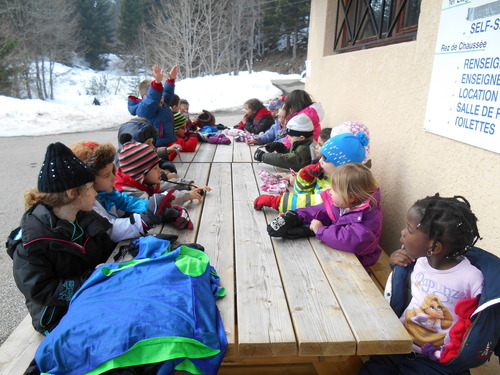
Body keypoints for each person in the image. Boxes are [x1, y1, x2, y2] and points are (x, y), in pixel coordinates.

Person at [359, 194, 500, 375]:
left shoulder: (470, 277)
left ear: (434, 247)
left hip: (439, 362)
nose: (403, 232)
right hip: (399, 348)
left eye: (409, 230)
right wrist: (396, 261)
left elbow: (481, 317)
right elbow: (405, 288)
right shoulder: (417, 261)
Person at [9, 142, 116, 335]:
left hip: (91, 297)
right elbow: (40, 289)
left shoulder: (86, 217)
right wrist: (91, 279)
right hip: (56, 316)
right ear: (72, 193)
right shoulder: (32, 242)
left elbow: (108, 250)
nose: (94, 192)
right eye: (90, 187)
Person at [267, 163, 382, 270]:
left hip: (356, 266)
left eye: (334, 189)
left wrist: (320, 230)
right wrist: (295, 216)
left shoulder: (367, 217)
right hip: (336, 253)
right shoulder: (345, 204)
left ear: (351, 197)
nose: (329, 192)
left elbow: (352, 241)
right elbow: (320, 210)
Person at [79, 142, 188, 240]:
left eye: (113, 171)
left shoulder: (108, 193)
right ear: (89, 182)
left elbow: (127, 202)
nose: (114, 178)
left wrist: (160, 210)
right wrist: (145, 220)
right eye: (106, 175)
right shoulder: (89, 206)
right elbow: (111, 229)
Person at [254, 124, 370, 212]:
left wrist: (276, 202)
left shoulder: (339, 190)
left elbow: (309, 203)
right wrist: (305, 177)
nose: (320, 161)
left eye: (325, 158)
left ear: (340, 165)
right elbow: (303, 194)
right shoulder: (327, 175)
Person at [114, 139, 210, 229]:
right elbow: (154, 205)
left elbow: (163, 185)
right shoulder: (126, 190)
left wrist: (189, 184)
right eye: (155, 168)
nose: (160, 170)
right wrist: (186, 195)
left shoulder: (139, 180)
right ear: (141, 173)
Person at [127, 65, 178, 157]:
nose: (162, 97)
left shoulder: (161, 103)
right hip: (156, 145)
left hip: (168, 142)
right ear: (145, 98)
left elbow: (167, 94)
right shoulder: (145, 109)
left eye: (161, 94)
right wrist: (157, 83)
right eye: (159, 94)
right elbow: (152, 100)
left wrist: (170, 80)